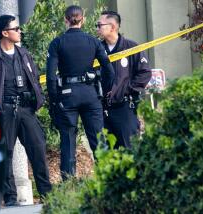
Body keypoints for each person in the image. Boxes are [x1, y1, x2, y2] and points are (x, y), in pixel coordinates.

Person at [0, 15, 51, 206]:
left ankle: (48, 195)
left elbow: (35, 78)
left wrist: (37, 98)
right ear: (4, 33)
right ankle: (10, 199)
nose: (19, 31)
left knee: (38, 149)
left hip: (26, 109)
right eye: (16, 29)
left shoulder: (24, 54)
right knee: (5, 154)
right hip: (4, 111)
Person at [46, 5, 115, 180]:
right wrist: (104, 92)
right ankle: (107, 181)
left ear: (65, 20)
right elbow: (109, 70)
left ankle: (68, 184)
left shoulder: (57, 42)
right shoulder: (93, 41)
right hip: (91, 95)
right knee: (99, 140)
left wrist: (54, 101)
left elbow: (51, 77)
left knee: (68, 142)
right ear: (83, 19)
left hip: (68, 96)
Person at [96, 11, 152, 148]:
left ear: (113, 27)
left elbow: (144, 73)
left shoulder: (131, 48)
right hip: (102, 110)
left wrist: (125, 90)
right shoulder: (97, 49)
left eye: (99, 25)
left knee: (129, 152)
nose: (97, 29)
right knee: (107, 157)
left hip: (125, 108)